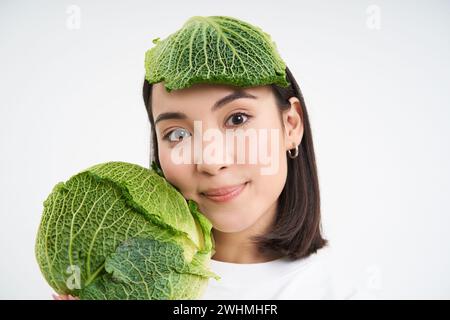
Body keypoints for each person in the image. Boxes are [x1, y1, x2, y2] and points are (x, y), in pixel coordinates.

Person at [53, 15, 358, 300]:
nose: (211, 161)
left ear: (291, 125)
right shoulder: (117, 283)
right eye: (177, 134)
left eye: (237, 119)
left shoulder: (340, 291)